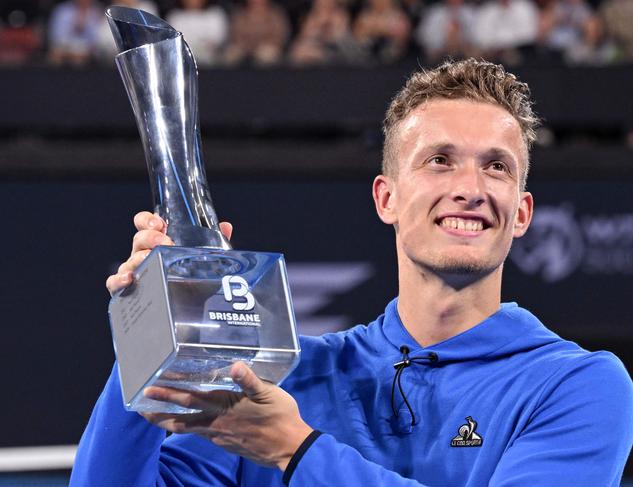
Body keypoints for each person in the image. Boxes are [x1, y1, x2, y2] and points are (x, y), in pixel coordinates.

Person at [71, 59, 633, 486]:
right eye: (439, 160)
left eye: (497, 167)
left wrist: (298, 450)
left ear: (522, 213)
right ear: (386, 198)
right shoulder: (281, 377)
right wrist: (148, 332)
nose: (471, 188)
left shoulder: (576, 386)